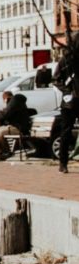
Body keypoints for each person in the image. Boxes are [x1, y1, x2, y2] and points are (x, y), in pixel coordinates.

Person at [52, 35, 77, 173]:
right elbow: (56, 79)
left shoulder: (66, 60)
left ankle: (63, 163)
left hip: (71, 100)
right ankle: (63, 162)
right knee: (66, 132)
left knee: (66, 131)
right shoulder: (66, 61)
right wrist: (68, 92)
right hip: (70, 102)